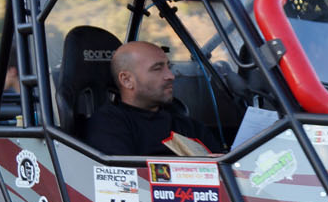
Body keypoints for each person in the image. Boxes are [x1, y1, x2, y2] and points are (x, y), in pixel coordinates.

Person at [83, 41, 223, 156]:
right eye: (157, 69)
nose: (170, 76)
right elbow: (123, 181)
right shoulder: (109, 125)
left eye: (169, 67)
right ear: (127, 80)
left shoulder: (186, 124)